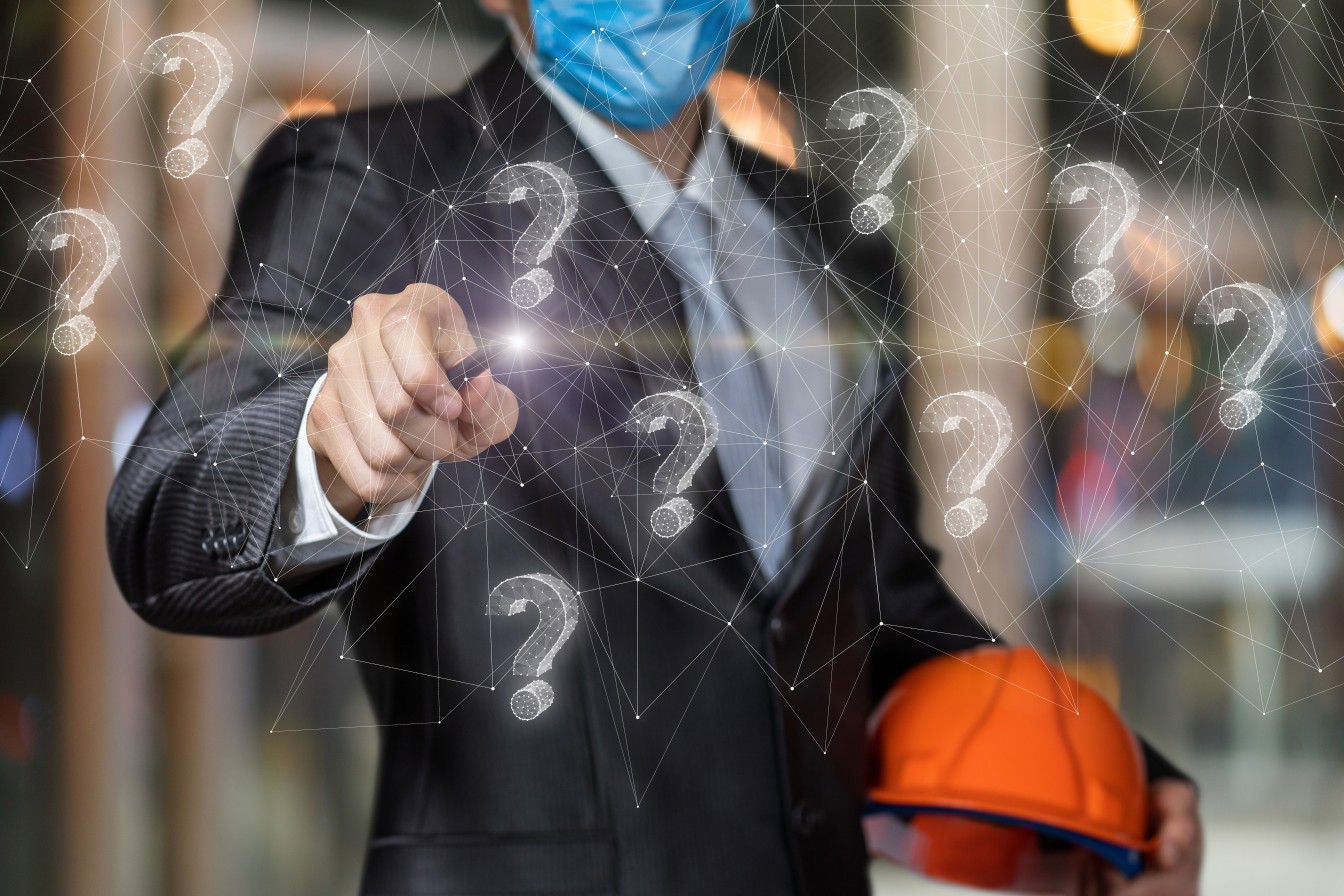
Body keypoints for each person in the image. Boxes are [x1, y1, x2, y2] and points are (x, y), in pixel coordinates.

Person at [106, 1, 1204, 893]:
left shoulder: (841, 252)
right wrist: (335, 450)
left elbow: (876, 611)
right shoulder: (370, 175)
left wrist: (1107, 779)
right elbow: (164, 515)